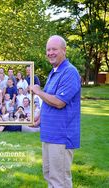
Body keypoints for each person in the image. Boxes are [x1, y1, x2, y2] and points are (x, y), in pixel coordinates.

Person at [31, 35, 81, 187]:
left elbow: (59, 102)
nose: (50, 53)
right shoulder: (54, 72)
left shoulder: (69, 72)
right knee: (49, 176)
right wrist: (39, 118)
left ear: (64, 51)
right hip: (49, 134)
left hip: (61, 136)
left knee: (59, 180)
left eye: (54, 49)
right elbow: (49, 100)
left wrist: (38, 91)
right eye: (48, 49)